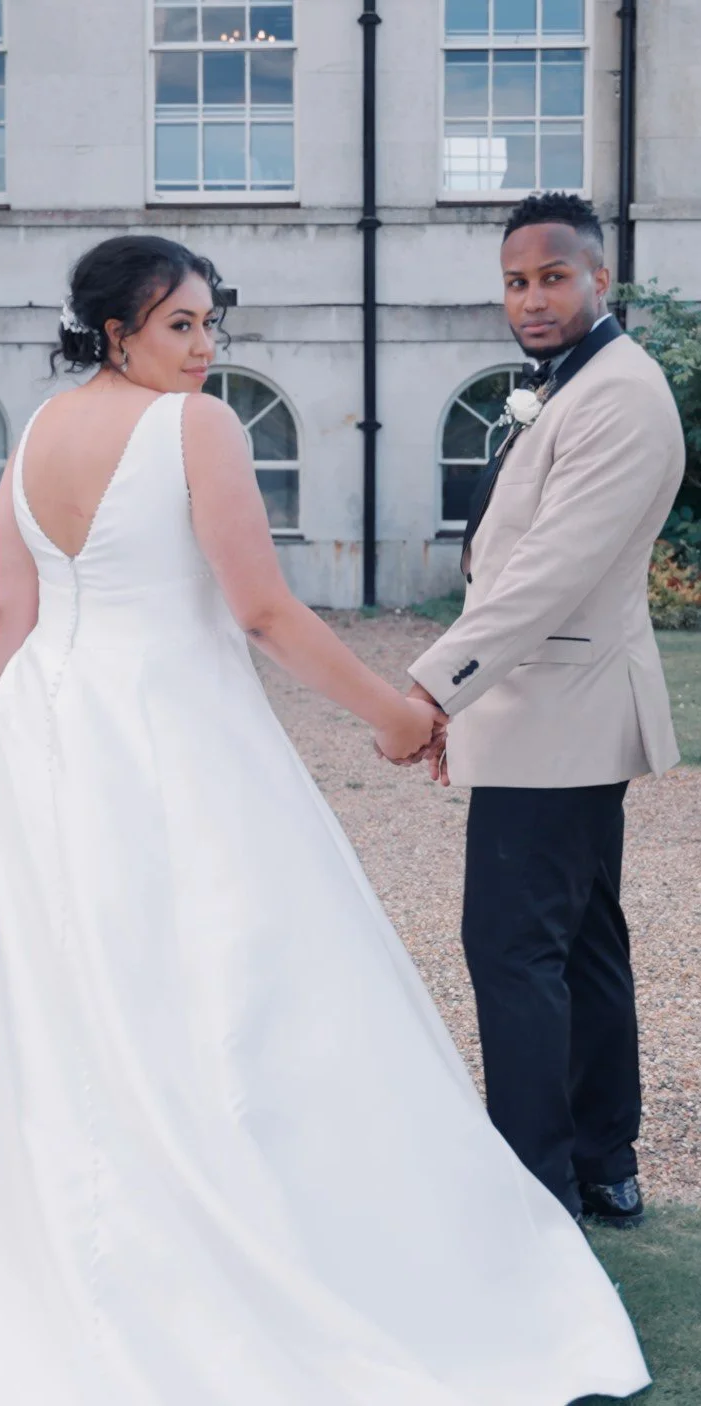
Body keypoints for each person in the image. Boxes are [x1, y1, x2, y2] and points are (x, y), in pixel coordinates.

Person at [0, 233, 650, 1405]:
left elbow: (13, 607)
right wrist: (394, 717)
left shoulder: (38, 429)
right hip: (171, 726)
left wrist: (20, 747)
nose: (205, 349)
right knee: (230, 968)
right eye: (180, 327)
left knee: (66, 974)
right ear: (118, 331)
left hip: (46, 731)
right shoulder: (196, 429)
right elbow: (258, 607)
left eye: (212, 325)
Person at [403, 193, 685, 1229]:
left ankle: (536, 1189)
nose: (531, 298)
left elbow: (548, 574)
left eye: (553, 276)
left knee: (512, 948)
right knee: (577, 945)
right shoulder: (571, 387)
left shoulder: (619, 395)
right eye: (516, 281)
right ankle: (602, 1162)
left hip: (557, 715)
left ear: (599, 279)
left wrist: (431, 686)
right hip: (548, 709)